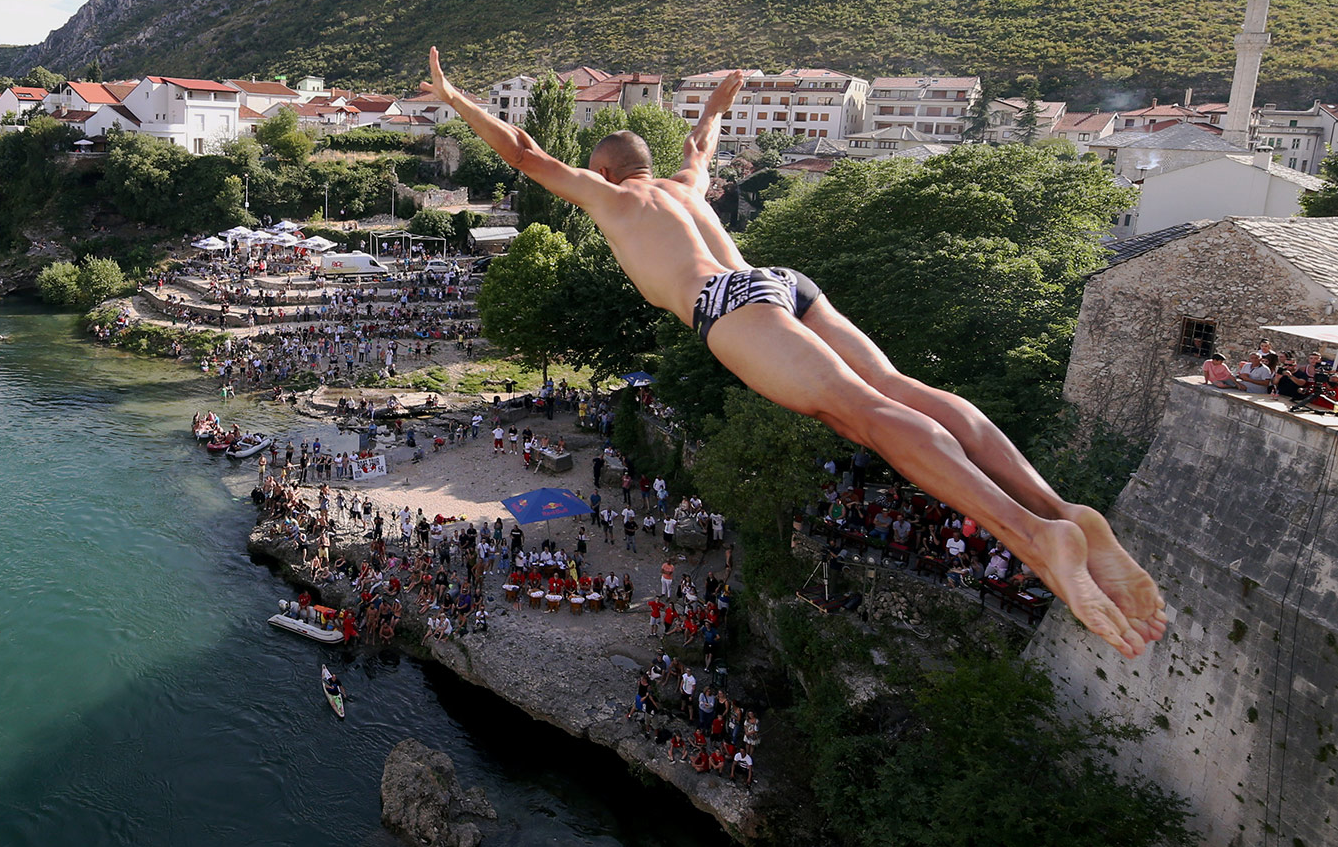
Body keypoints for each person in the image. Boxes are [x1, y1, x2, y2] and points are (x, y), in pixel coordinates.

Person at [425, 49, 1164, 659]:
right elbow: (702, 142)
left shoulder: (614, 198)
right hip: (777, 281)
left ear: (605, 170)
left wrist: (458, 98)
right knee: (893, 388)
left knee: (866, 416)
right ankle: (1059, 507)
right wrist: (715, 105)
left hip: (723, 304)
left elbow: (524, 153)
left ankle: (1036, 536)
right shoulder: (688, 186)